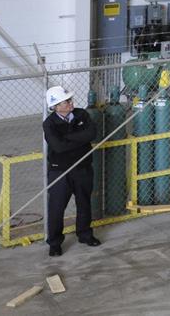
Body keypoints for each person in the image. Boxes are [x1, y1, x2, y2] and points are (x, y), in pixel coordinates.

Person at [43, 86, 101, 256]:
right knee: (57, 207)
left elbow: (92, 134)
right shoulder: (49, 124)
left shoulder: (81, 114)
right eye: (66, 101)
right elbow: (58, 147)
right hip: (60, 171)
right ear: (55, 106)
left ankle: (85, 234)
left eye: (70, 100)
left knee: (84, 202)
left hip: (82, 168)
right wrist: (80, 139)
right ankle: (54, 243)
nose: (70, 103)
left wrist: (68, 138)